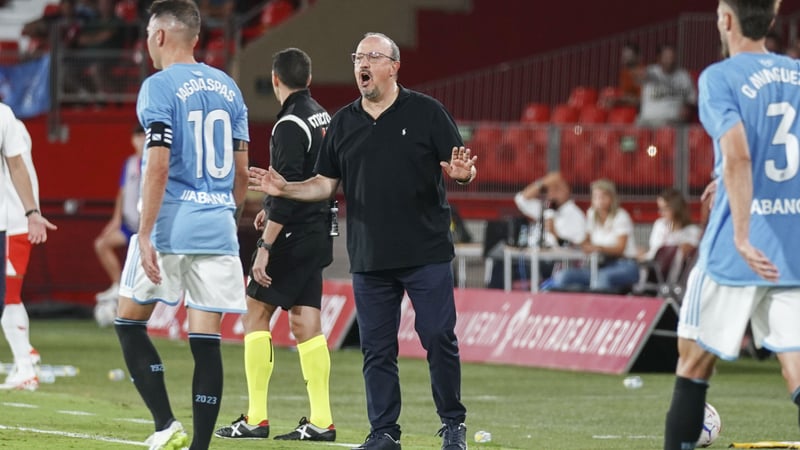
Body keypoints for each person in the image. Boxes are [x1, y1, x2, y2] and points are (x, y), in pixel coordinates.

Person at [249, 31, 474, 450]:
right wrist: (286, 188)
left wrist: (464, 175)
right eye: (357, 58)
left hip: (425, 252)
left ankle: (452, 423)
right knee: (377, 349)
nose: (362, 64)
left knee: (438, 336)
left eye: (372, 56)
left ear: (394, 66)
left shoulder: (427, 112)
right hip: (370, 257)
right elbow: (324, 183)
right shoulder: (343, 122)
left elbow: (460, 166)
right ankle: (384, 432)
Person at [663, 1, 800, 448]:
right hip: (792, 247)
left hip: (734, 252)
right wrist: (726, 177)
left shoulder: (719, 78)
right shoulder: (798, 76)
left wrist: (741, 234)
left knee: (693, 364)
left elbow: (739, 154)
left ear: (725, 19)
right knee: (797, 368)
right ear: (771, 20)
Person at [112, 1, 249, 449]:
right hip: (219, 229)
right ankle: (200, 447)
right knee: (206, 341)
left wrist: (145, 232)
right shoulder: (229, 87)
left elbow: (157, 165)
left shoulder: (157, 87)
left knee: (128, 322)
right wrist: (226, 216)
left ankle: (165, 423)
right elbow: (242, 173)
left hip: (171, 226)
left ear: (159, 36)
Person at [214, 47, 336, 442]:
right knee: (305, 320)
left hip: (292, 235)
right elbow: (310, 180)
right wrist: (270, 208)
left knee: (255, 311)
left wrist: (265, 245)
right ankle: (321, 422)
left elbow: (286, 187)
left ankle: (256, 418)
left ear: (275, 80)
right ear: (309, 79)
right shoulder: (321, 116)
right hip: (318, 231)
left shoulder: (288, 124)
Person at [0, 119, 52, 391]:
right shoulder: (13, 122)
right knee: (8, 295)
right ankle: (26, 356)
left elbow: (18, 168)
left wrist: (31, 212)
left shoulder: (7, 121)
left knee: (8, 295)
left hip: (12, 222)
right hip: (13, 219)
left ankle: (25, 366)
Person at [487, 171, 586, 289]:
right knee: (500, 261)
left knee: (507, 268)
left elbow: (576, 246)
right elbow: (521, 199)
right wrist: (542, 183)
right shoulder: (545, 209)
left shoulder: (575, 215)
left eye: (557, 189)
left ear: (567, 190)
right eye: (549, 189)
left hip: (553, 262)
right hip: (532, 255)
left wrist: (554, 232)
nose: (552, 193)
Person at [550, 178, 639, 292]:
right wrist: (571, 243)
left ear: (612, 198)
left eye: (603, 196)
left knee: (601, 279)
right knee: (563, 276)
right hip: (598, 266)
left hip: (624, 265)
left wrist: (598, 248)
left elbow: (620, 249)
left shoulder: (621, 216)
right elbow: (586, 241)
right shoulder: (591, 214)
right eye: (596, 196)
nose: (599, 200)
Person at [94, 125, 144, 308]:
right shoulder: (129, 163)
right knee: (102, 244)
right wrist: (116, 219)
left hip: (148, 227)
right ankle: (117, 284)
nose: (141, 140)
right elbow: (122, 192)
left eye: (144, 136)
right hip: (129, 224)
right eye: (137, 136)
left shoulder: (154, 162)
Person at [637, 44, 698, 127]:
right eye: (666, 57)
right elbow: (639, 77)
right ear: (659, 58)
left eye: (672, 57)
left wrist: (687, 108)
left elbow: (692, 98)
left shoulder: (683, 76)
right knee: (630, 132)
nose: (670, 60)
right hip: (647, 120)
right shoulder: (651, 71)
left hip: (671, 121)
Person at [639, 188, 701, 261]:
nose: (660, 213)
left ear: (676, 208)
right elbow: (655, 251)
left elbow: (683, 253)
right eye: (660, 208)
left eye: (665, 209)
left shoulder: (692, 230)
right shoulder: (659, 224)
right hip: (653, 262)